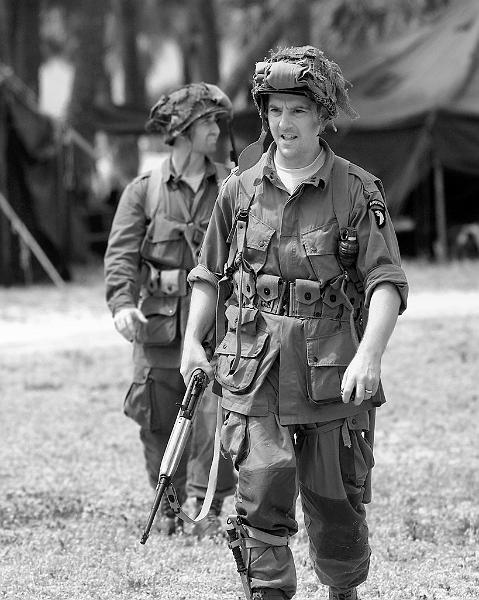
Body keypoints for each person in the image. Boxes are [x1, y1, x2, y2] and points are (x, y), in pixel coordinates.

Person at [180, 47, 409, 600]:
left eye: (298, 111)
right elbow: (209, 274)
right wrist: (192, 339)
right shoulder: (238, 190)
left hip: (332, 371)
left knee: (335, 502)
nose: (284, 124)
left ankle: (341, 589)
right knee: (259, 491)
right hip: (253, 369)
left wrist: (370, 354)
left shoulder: (356, 190)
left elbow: (386, 283)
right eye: (276, 110)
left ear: (322, 115)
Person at [104, 82, 236, 537]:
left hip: (219, 322)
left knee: (218, 417)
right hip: (158, 325)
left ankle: (211, 506)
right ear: (181, 130)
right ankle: (172, 507)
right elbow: (121, 255)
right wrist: (122, 303)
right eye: (207, 122)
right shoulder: (143, 192)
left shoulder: (235, 186)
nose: (217, 129)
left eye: (218, 120)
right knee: (156, 417)